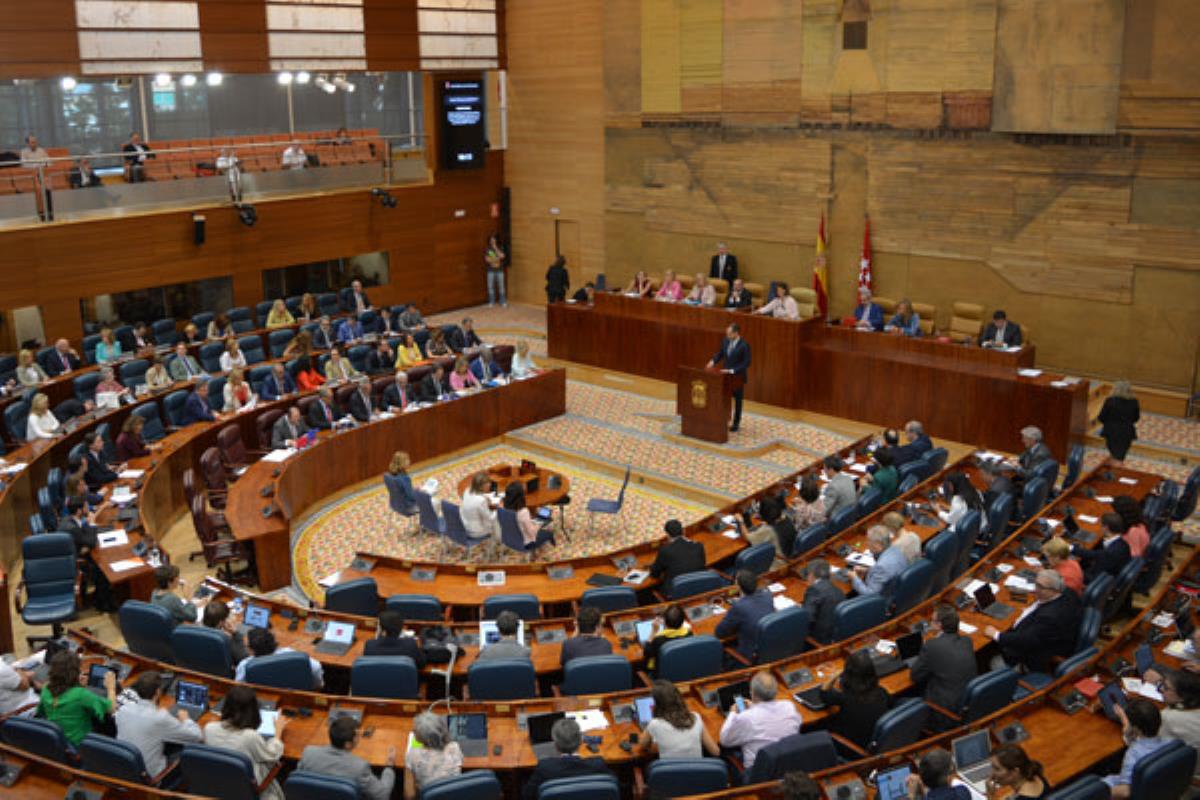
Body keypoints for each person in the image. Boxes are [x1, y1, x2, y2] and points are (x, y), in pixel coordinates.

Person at [985, 569, 1082, 673]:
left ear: (1054, 590)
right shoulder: (1068, 592)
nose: (1035, 589)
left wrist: (996, 635)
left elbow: (1026, 640)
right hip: (1049, 637)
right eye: (1036, 584)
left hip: (1034, 657)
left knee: (990, 657)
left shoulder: (1049, 617)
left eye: (1040, 587)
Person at [204, 685, 287, 800]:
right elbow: (272, 755)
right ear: (253, 710)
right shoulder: (250, 736)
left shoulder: (209, 728)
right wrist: (278, 732)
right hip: (248, 789)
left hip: (221, 784)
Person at [115, 670, 203, 777]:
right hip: (152, 776)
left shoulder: (123, 709)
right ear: (158, 692)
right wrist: (186, 719)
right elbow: (197, 736)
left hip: (126, 768)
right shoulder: (160, 717)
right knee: (190, 750)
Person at [719, 671, 802, 770]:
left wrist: (733, 714)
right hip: (787, 765)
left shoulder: (746, 718)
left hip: (759, 773)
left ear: (752, 693)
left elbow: (724, 740)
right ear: (776, 691)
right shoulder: (789, 706)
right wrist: (754, 707)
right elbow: (798, 724)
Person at [37, 650, 114, 747]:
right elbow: (111, 709)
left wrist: (78, 685)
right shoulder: (81, 695)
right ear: (76, 671)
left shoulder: (46, 688)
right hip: (79, 744)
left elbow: (41, 712)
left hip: (58, 741)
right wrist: (111, 688)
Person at [819, 650, 891, 751]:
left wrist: (834, 675)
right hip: (871, 739)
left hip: (852, 747)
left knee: (817, 725)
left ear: (847, 673)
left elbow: (823, 692)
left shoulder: (846, 697)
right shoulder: (881, 691)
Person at [910, 605, 977, 714]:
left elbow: (915, 676)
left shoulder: (931, 645)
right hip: (965, 699)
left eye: (931, 621)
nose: (930, 623)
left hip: (944, 710)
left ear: (939, 625)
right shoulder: (966, 641)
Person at [1105, 699, 1172, 798]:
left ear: (1136, 728)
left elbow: (1125, 792)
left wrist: (1097, 794)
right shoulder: (1170, 743)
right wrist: (1125, 720)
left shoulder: (1134, 753)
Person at [643, 679, 720, 758]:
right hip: (697, 770)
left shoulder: (654, 724)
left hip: (668, 770)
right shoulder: (695, 718)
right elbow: (715, 752)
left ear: (657, 705)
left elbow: (643, 746)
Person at [715, 571, 775, 662]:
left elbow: (719, 632)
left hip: (749, 653)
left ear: (738, 586)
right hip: (767, 645)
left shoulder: (739, 607)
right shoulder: (767, 594)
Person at [236, 627, 324, 687]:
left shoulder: (244, 665)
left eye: (246, 646)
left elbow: (239, 686)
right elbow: (317, 667)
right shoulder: (291, 655)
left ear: (252, 650)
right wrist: (316, 686)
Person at [405, 712, 464, 799]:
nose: (413, 732)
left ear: (421, 738)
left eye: (415, 731)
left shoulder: (412, 755)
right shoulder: (455, 748)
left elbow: (409, 795)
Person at [707, 322, 751, 431]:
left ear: (736, 333)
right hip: (725, 376)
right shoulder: (726, 341)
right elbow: (721, 353)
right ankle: (723, 418)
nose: (727, 336)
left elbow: (746, 363)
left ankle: (736, 423)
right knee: (724, 399)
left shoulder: (744, 346)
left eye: (730, 334)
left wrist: (731, 370)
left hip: (737, 377)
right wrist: (713, 361)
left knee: (738, 401)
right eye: (727, 334)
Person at [850, 525, 908, 597]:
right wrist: (868, 570)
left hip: (886, 600)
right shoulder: (896, 550)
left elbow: (870, 595)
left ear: (878, 545)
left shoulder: (881, 566)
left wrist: (854, 578)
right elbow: (886, 573)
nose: (866, 543)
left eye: (869, 540)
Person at [504, 481, 556, 555]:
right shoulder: (523, 512)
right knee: (549, 530)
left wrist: (530, 521)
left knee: (534, 521)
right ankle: (554, 548)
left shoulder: (504, 509)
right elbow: (532, 533)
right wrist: (539, 525)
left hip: (512, 539)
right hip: (527, 543)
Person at [649, 519, 705, 585]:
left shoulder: (665, 551)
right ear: (683, 531)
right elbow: (702, 564)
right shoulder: (698, 546)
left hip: (678, 592)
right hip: (700, 584)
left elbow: (655, 575)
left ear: (667, 535)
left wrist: (652, 566)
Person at [1095, 380, 1140, 463]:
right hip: (1127, 433)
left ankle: (1115, 472)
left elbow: (1101, 417)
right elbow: (1136, 418)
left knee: (1114, 455)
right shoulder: (1134, 402)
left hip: (1111, 432)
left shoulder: (1110, 401)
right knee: (1120, 457)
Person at [802, 559, 845, 643]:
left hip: (819, 638)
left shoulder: (814, 590)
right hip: (834, 633)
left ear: (811, 575)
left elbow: (807, 618)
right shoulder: (838, 590)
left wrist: (800, 611)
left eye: (807, 575)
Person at [643, 604, 692, 676]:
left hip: (662, 676)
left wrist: (653, 631)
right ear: (683, 621)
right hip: (682, 669)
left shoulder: (658, 640)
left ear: (665, 622)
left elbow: (646, 654)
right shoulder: (689, 633)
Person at [461, 471, 500, 549]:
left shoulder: (467, 490)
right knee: (497, 519)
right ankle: (498, 542)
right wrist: (497, 510)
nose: (490, 485)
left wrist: (484, 498)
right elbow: (490, 518)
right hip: (476, 532)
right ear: (481, 486)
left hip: (465, 525)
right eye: (487, 483)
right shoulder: (481, 501)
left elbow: (475, 499)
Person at [0, 651, 38, 716]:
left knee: (35, 660)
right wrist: (19, 669)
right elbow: (25, 686)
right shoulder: (2, 670)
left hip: (10, 705)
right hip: (23, 709)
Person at [485, 233, 507, 307]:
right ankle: (491, 301)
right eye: (491, 239)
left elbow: (502, 256)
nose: (492, 241)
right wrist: (496, 259)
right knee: (490, 286)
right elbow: (487, 259)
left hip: (500, 270)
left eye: (493, 239)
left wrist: (495, 248)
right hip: (490, 270)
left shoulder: (500, 247)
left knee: (501, 286)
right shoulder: (488, 249)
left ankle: (502, 301)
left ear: (496, 240)